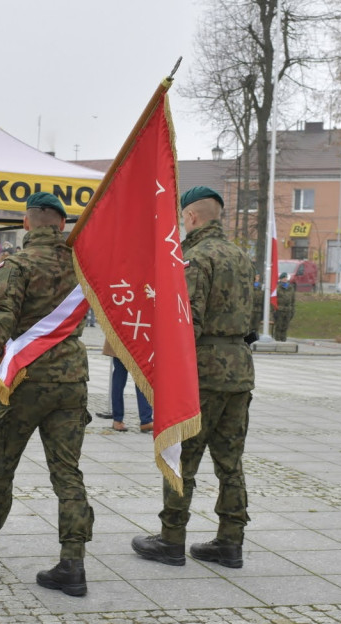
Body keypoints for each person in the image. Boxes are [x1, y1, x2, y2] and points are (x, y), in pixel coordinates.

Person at [0, 192, 93, 596]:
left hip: (22, 379)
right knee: (67, 472)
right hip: (71, 380)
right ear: (60, 225)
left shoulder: (17, 264)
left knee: (0, 467)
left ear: (26, 223)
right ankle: (73, 562)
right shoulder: (83, 265)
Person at [132, 186, 254, 570]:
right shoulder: (242, 258)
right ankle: (230, 542)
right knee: (230, 462)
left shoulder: (193, 259)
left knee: (183, 457)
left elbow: (189, 323)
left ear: (192, 217)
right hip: (239, 370)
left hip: (201, 372)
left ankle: (171, 538)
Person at [102, 338, 153, 432]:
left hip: (130, 338)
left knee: (139, 378)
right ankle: (120, 419)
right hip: (125, 338)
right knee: (122, 378)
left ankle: (145, 420)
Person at [272, 271, 295, 341]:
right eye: (283, 278)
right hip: (279, 309)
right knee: (279, 326)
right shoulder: (277, 288)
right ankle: (277, 339)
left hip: (288, 310)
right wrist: (274, 310)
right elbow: (274, 299)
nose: (285, 279)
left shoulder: (290, 288)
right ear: (280, 279)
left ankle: (283, 339)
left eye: (286, 278)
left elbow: (293, 300)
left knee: (285, 326)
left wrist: (292, 310)